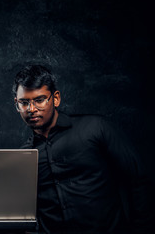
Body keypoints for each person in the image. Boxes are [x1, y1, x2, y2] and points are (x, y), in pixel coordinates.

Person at [13, 65, 153, 233]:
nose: (32, 109)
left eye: (39, 100)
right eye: (24, 102)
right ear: (17, 104)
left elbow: (138, 180)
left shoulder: (95, 127)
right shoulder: (24, 156)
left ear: (56, 98)